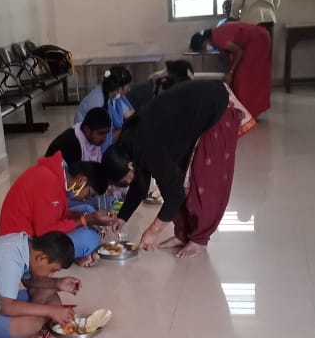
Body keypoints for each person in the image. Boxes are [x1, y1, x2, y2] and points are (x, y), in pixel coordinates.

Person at [102, 79, 241, 258]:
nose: (129, 183)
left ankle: (200, 239)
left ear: (129, 165)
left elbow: (175, 194)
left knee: (204, 182)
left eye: (125, 180)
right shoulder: (129, 145)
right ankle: (184, 234)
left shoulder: (146, 147)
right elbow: (140, 182)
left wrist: (153, 232)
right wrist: (123, 217)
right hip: (193, 108)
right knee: (179, 177)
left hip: (214, 104)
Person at [0, 152, 116, 267]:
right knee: (89, 239)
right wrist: (85, 221)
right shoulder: (48, 182)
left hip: (35, 231)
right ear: (81, 181)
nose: (86, 199)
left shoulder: (57, 176)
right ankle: (75, 254)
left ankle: (75, 254)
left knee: (88, 209)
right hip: (22, 246)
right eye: (89, 194)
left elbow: (57, 214)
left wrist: (88, 218)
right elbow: (46, 233)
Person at [190, 22, 271, 119]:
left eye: (203, 51)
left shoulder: (218, 39)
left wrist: (231, 72)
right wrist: (228, 73)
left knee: (243, 78)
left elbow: (239, 51)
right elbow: (226, 58)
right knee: (237, 78)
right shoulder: (215, 41)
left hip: (258, 39)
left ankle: (247, 114)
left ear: (205, 43)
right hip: (254, 40)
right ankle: (244, 112)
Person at [75, 66, 133, 151]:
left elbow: (129, 114)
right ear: (119, 88)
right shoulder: (98, 103)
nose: (129, 89)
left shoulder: (113, 95)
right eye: (127, 85)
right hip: (89, 144)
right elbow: (99, 139)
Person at [45, 108, 110, 166]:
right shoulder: (72, 145)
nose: (104, 139)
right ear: (87, 130)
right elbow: (73, 177)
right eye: (101, 133)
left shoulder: (91, 138)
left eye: (106, 133)